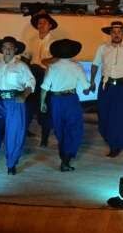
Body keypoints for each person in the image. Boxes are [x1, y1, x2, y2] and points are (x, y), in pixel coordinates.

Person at [85, 21, 123, 158]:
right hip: (105, 86)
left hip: (121, 88)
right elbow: (94, 65)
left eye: (119, 31)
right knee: (103, 115)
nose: (116, 34)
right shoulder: (103, 48)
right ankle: (108, 136)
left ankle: (116, 144)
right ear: (110, 33)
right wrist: (92, 82)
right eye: (114, 32)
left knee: (118, 117)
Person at [0, 36, 35, 175]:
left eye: (11, 47)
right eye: (5, 47)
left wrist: (24, 95)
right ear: (2, 49)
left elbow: (31, 83)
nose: (8, 50)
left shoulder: (21, 66)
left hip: (15, 102)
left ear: (15, 50)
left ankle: (11, 163)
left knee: (14, 133)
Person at [39, 39, 88, 172]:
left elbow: (44, 87)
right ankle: (66, 158)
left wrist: (42, 103)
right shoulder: (77, 66)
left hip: (56, 100)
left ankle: (64, 155)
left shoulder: (53, 67)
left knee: (60, 128)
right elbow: (86, 87)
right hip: (71, 99)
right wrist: (89, 88)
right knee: (74, 128)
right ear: (72, 52)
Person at [21, 11, 57, 147]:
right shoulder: (32, 40)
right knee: (28, 104)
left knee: (44, 107)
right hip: (32, 75)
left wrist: (47, 60)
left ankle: (45, 136)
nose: (40, 25)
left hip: (45, 76)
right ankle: (25, 129)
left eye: (43, 23)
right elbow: (27, 56)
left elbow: (57, 58)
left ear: (50, 26)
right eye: (39, 23)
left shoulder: (54, 42)